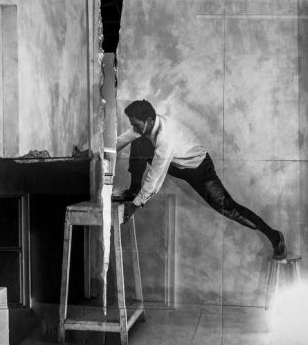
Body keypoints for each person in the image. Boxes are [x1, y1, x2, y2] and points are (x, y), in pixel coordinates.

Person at [117, 99, 287, 260]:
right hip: (177, 164)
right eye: (133, 125)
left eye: (136, 125)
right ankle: (134, 189)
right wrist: (103, 153)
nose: (134, 128)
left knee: (228, 208)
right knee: (138, 141)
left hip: (199, 168)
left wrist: (135, 205)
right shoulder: (146, 125)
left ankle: (275, 236)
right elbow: (122, 140)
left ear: (148, 120)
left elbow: (155, 177)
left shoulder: (166, 137)